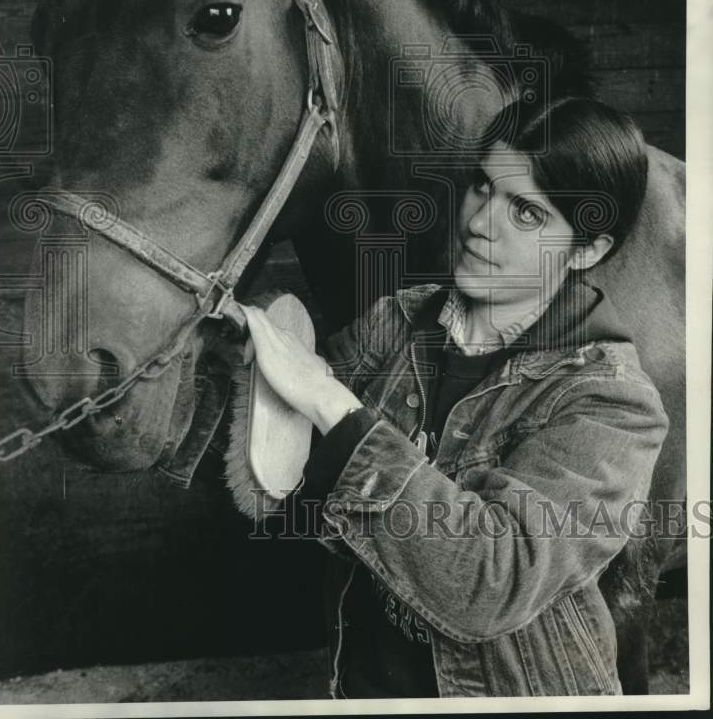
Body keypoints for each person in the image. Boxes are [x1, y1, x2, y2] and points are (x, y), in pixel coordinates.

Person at [239, 95, 669, 699]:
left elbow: (488, 583)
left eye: (526, 211)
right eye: (483, 187)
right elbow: (274, 443)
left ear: (587, 249)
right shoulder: (399, 319)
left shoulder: (612, 404)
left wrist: (326, 399)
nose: (480, 222)